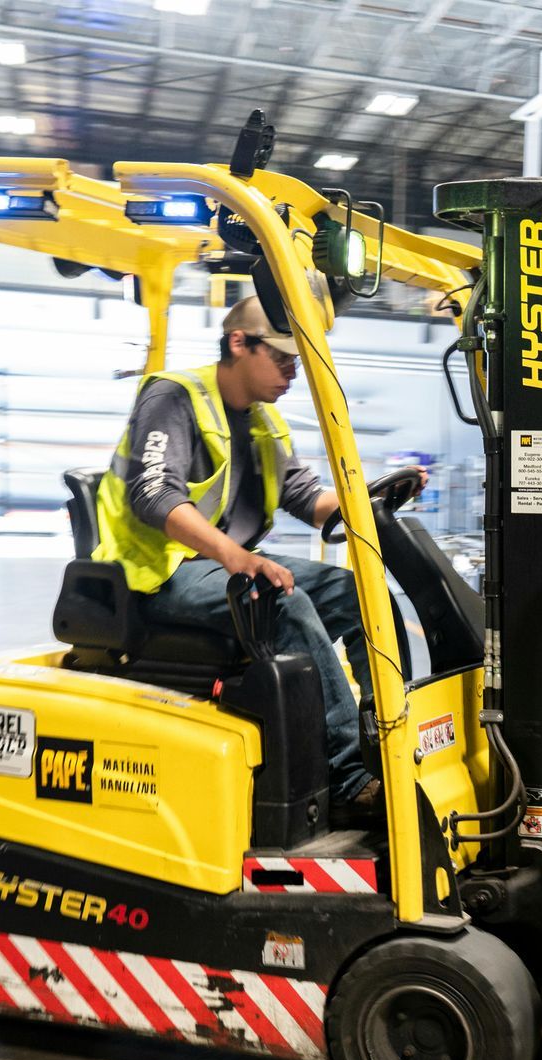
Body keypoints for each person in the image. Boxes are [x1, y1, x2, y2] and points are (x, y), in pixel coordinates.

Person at [92, 292, 416, 812]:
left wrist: (372, 497)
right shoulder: (174, 397)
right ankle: (349, 778)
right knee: (281, 598)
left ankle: (388, 743)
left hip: (218, 569)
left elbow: (308, 500)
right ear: (239, 343)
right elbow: (153, 493)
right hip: (160, 576)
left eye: (295, 361)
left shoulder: (263, 421)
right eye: (282, 359)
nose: (291, 372)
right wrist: (235, 557)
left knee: (359, 592)